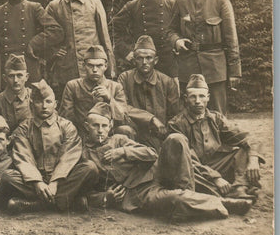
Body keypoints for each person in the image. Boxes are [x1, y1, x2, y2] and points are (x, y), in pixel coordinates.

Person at [83, 102, 253, 221]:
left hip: (154, 171)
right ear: (86, 126)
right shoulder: (84, 155)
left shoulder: (119, 139)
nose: (100, 131)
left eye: (104, 126)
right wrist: (106, 197)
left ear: (111, 126)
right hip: (137, 193)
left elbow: (151, 153)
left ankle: (190, 193)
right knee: (175, 199)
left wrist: (123, 152)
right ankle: (222, 204)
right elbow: (83, 193)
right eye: (95, 126)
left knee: (176, 139)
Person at [2, 79, 99, 214]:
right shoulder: (25, 128)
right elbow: (24, 157)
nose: (44, 106)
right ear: (31, 104)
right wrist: (37, 182)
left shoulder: (66, 126)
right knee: (8, 176)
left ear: (55, 104)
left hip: (62, 179)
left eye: (48, 102)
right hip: (35, 180)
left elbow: (69, 157)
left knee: (90, 168)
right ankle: (66, 201)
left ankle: (35, 205)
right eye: (39, 102)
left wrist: (55, 182)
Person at [167, 0, 241, 114]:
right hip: (188, 67)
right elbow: (169, 31)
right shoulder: (181, 0)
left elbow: (231, 39)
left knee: (218, 115)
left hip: (215, 68)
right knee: (188, 115)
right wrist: (176, 40)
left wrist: (235, 71)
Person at [167, 74, 263, 200]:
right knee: (184, 179)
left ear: (208, 98)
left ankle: (239, 188)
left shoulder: (216, 118)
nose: (197, 101)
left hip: (217, 164)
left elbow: (247, 137)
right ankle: (224, 194)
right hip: (193, 169)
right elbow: (187, 159)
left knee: (244, 151)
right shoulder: (176, 124)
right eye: (193, 97)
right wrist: (215, 178)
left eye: (201, 96)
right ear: (185, 99)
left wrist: (254, 159)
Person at [46, 0, 116, 100]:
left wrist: (111, 70)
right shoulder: (53, 6)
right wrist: (53, 51)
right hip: (65, 69)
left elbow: (105, 39)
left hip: (92, 67)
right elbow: (44, 36)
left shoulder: (95, 3)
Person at [0, 0, 63, 82]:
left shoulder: (34, 8)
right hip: (6, 69)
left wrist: (34, 44)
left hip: (29, 66)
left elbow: (56, 31)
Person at [112, 0, 176, 79]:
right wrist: (127, 52)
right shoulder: (132, 6)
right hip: (142, 65)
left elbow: (182, 30)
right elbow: (113, 29)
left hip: (168, 66)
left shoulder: (172, 4)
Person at [118, 35, 180, 149]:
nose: (144, 62)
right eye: (139, 58)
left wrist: (166, 130)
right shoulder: (124, 78)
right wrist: (151, 119)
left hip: (159, 134)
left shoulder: (167, 82)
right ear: (134, 60)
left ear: (155, 60)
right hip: (134, 133)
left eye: (149, 58)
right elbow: (122, 107)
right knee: (123, 131)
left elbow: (175, 114)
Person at [59, 45, 130, 139]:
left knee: (126, 130)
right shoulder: (73, 86)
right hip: (83, 135)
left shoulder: (115, 87)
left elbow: (124, 119)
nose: (95, 70)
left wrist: (110, 99)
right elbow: (66, 117)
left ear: (105, 66)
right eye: (90, 65)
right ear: (84, 66)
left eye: (99, 65)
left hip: (108, 135)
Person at [0, 54, 32, 131]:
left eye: (19, 75)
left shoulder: (34, 97)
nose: (15, 80)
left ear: (26, 77)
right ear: (5, 78)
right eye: (11, 76)